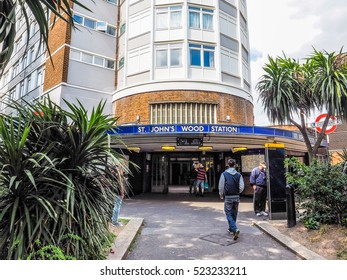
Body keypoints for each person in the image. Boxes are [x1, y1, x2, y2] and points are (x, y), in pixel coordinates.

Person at [218, 159, 244, 240]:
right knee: (234, 212)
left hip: (228, 196)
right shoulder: (239, 175)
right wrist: (237, 192)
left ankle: (235, 228)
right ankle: (231, 229)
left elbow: (221, 186)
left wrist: (221, 194)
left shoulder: (224, 174)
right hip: (236, 196)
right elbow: (241, 187)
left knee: (228, 212)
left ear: (228, 165)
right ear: (235, 165)